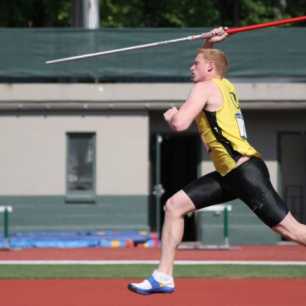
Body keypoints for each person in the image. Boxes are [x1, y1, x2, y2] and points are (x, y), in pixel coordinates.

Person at [128, 27, 306, 295]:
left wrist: (171, 115)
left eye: (196, 63)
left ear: (209, 68)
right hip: (229, 174)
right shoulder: (223, 84)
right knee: (174, 205)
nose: (191, 66)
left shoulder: (204, 87)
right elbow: (209, 58)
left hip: (244, 173)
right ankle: (163, 276)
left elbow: (180, 124)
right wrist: (211, 40)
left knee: (294, 232)